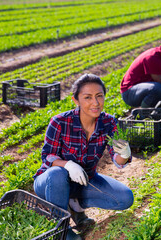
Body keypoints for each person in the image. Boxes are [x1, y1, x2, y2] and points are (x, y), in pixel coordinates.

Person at [33, 74, 134, 240]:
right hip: (50, 183)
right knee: (57, 173)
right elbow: (48, 157)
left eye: (99, 96)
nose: (95, 103)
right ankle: (61, 228)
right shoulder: (60, 122)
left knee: (125, 198)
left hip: (84, 180)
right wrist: (68, 165)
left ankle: (75, 205)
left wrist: (124, 154)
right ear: (76, 100)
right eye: (87, 97)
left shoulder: (109, 123)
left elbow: (117, 159)